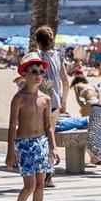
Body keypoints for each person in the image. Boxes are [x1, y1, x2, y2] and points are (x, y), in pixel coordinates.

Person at [3, 52, 60, 201]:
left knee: (40, 186)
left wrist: (53, 147)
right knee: (30, 186)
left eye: (41, 72)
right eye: (34, 71)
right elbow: (12, 126)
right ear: (25, 74)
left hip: (41, 143)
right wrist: (10, 152)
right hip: (24, 144)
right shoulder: (18, 99)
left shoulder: (46, 99)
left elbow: (48, 127)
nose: (38, 75)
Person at [35, 25, 69, 188]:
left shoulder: (37, 56)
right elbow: (65, 82)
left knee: (42, 137)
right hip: (55, 102)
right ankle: (48, 176)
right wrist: (63, 102)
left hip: (41, 102)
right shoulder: (59, 55)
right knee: (50, 136)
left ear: (37, 41)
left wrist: (47, 85)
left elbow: (39, 80)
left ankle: (45, 175)